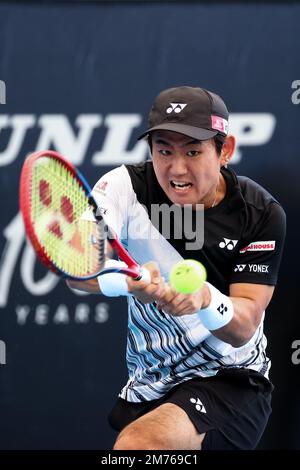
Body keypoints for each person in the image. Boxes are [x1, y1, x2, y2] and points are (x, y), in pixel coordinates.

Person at [68, 86, 286, 450]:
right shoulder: (124, 188)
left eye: (193, 151)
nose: (177, 167)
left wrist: (204, 300)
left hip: (231, 380)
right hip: (150, 382)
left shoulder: (260, 213)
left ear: (225, 151)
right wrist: (130, 283)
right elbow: (77, 269)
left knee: (138, 446)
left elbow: (244, 326)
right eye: (164, 150)